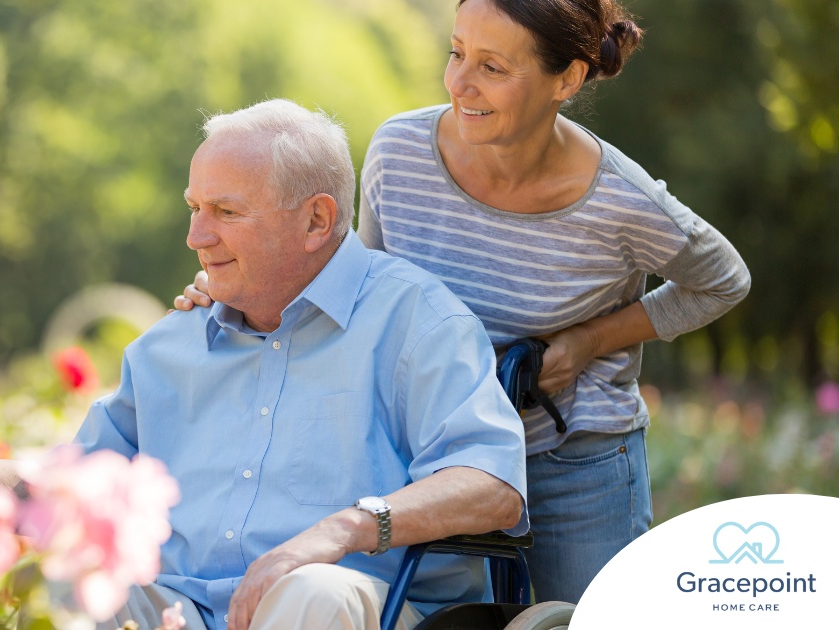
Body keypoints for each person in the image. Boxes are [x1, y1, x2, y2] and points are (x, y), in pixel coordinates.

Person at [0, 99, 529, 630]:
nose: (195, 236)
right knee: (60, 586)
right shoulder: (168, 347)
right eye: (194, 209)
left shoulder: (415, 321)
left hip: (364, 609)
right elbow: (74, 485)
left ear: (317, 221)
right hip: (180, 610)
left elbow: (491, 483)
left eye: (225, 212)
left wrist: (338, 531)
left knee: (310, 593)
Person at [175, 0, 751, 606]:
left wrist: (589, 342)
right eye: (456, 53)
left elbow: (722, 281)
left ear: (568, 78)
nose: (460, 83)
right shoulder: (399, 154)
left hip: (568, 453)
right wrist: (233, 288)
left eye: (493, 68)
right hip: (430, 454)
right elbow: (358, 286)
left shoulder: (621, 201)